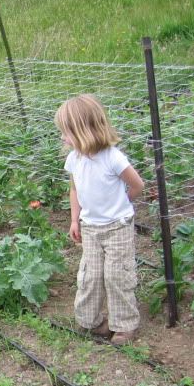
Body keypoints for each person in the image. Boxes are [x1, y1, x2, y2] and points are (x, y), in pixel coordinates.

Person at [55, 94, 144, 345]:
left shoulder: (112, 157)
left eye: (67, 132)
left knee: (117, 275)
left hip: (118, 227)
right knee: (90, 275)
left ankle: (124, 326)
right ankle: (91, 321)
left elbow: (137, 185)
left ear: (85, 131)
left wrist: (122, 203)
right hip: (90, 227)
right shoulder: (74, 159)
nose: (63, 137)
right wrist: (75, 220)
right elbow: (75, 190)